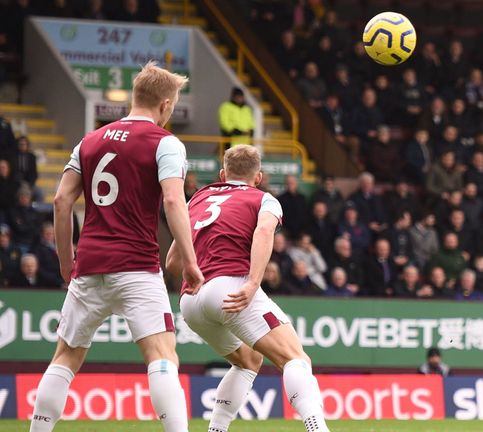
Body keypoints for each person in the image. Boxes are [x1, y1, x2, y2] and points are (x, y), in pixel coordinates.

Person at [30, 61, 203, 432]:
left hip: (89, 265)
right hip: (138, 266)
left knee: (66, 356)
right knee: (161, 355)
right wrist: (189, 261)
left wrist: (67, 260)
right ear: (166, 104)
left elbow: (61, 201)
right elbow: (174, 202)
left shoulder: (89, 140)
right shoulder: (165, 143)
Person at [167, 145, 331, 432]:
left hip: (190, 301)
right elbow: (265, 231)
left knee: (248, 360)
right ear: (259, 177)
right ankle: (318, 428)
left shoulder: (199, 198)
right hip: (230, 288)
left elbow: (172, 261)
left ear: (222, 174)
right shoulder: (264, 199)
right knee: (294, 358)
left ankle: (216, 429)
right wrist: (253, 282)